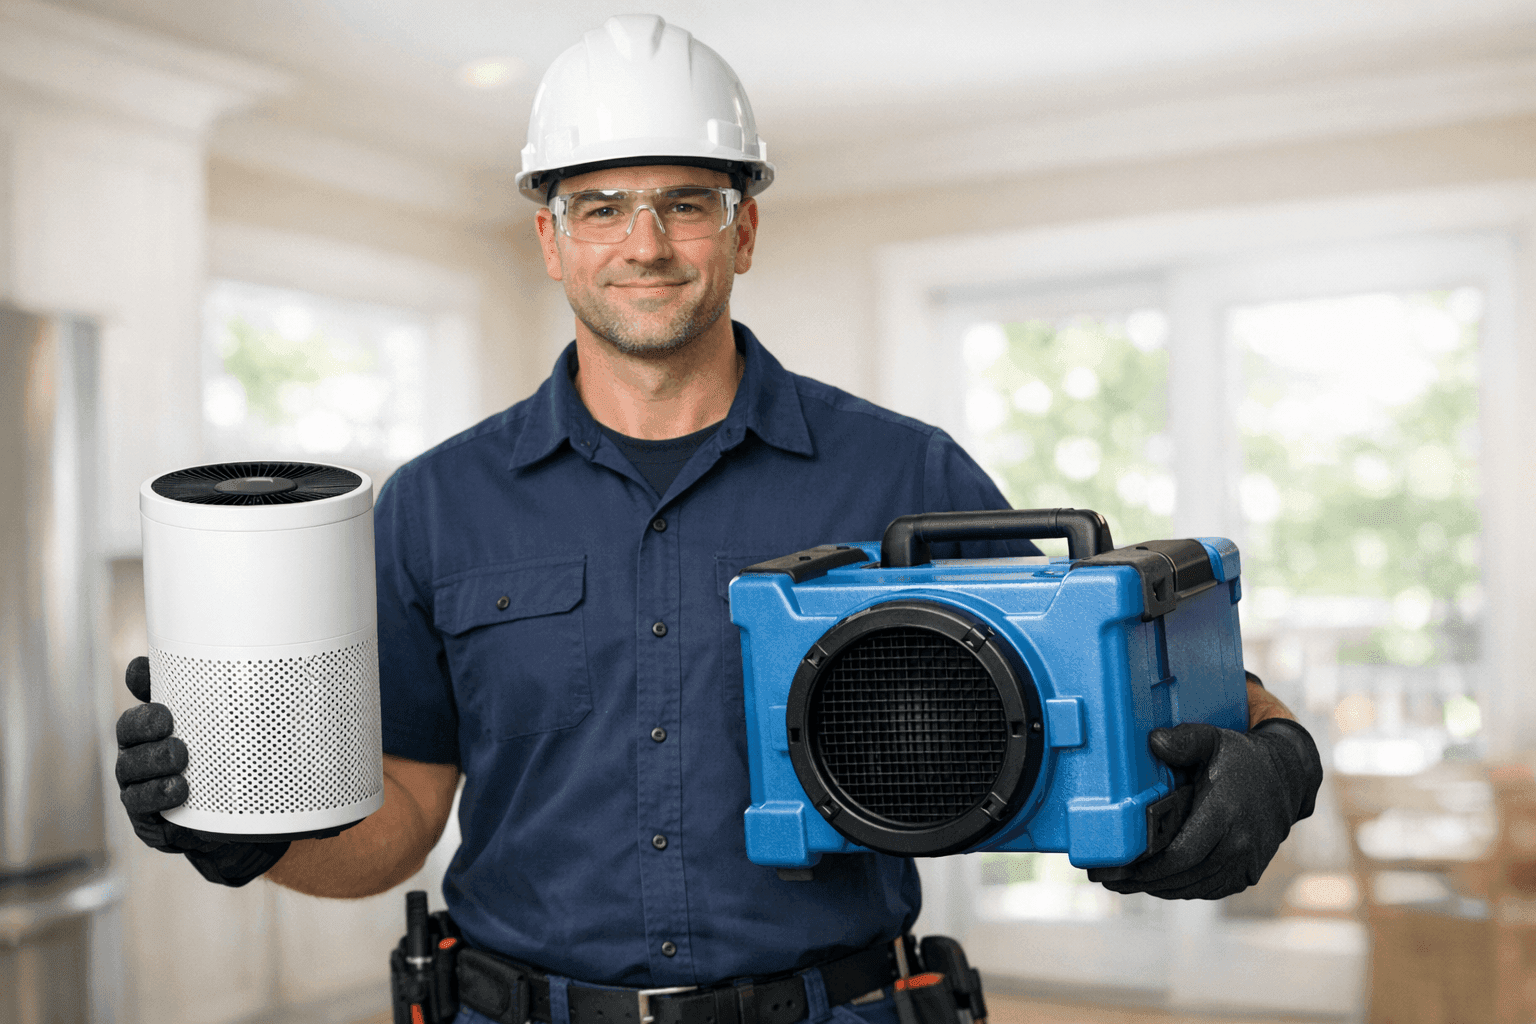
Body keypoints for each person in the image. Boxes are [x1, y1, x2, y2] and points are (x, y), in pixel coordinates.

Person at [114, 14, 1324, 1024]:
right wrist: (251, 830)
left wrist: (1275, 750)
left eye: (686, 203)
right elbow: (403, 820)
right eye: (601, 208)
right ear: (550, 239)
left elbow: (1118, 681)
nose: (646, 244)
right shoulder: (435, 503)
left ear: (744, 225)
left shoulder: (902, 470)